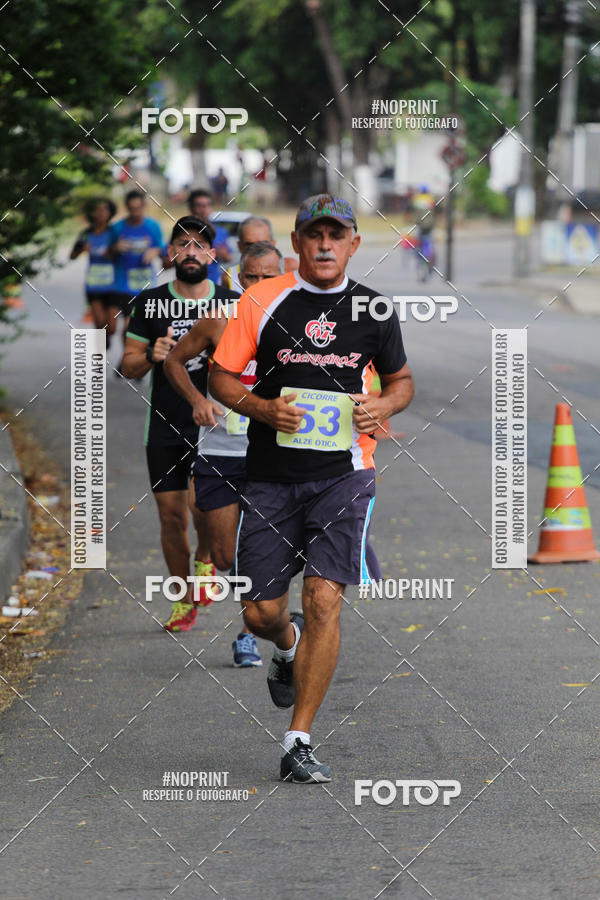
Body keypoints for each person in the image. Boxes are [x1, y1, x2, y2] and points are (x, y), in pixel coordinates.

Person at [209, 194, 414, 783]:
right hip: (272, 477)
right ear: (297, 244)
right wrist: (262, 410)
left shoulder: (374, 310)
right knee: (259, 612)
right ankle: (285, 645)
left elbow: (401, 382)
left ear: (353, 244)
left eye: (337, 235)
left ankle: (298, 739)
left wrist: (383, 404)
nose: (325, 245)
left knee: (325, 597)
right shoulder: (261, 300)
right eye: (314, 235)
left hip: (345, 475)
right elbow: (222, 375)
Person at [164, 242, 284, 665]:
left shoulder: (296, 327)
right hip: (219, 453)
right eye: (251, 277)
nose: (258, 285)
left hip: (272, 455)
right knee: (223, 554)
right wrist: (198, 399)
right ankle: (272, 618)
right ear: (238, 277)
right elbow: (174, 362)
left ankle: (250, 631)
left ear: (284, 277)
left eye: (268, 277)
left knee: (260, 550)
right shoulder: (218, 321)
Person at [121, 215, 236, 632]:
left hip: (216, 425)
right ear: (171, 254)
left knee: (202, 507)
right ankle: (182, 598)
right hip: (166, 423)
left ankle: (206, 556)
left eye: (200, 245)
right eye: (183, 244)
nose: (191, 251)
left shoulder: (232, 301)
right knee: (171, 517)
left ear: (213, 254)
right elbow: (127, 365)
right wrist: (153, 352)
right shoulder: (149, 303)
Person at [110, 190, 164, 368]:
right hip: (124, 286)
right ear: (127, 208)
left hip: (146, 285)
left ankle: (132, 358)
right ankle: (130, 358)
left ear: (144, 207)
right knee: (127, 326)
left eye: (138, 208)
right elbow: (105, 253)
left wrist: (154, 251)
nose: (135, 213)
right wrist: (115, 248)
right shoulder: (118, 228)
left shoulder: (153, 227)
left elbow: (163, 249)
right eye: (131, 209)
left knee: (140, 326)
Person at [70, 198, 120, 346]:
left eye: (104, 209)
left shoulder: (114, 233)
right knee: (99, 323)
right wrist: (81, 250)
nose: (100, 213)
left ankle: (106, 339)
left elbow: (122, 253)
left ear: (110, 213)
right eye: (97, 210)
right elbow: (72, 256)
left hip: (113, 285)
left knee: (111, 327)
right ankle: (97, 359)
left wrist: (113, 251)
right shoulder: (86, 234)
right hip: (94, 284)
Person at [221, 216, 298, 293]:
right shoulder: (229, 277)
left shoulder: (291, 268)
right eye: (250, 244)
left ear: (273, 244)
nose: (257, 249)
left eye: (263, 244)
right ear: (239, 246)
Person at [186, 189, 232, 283]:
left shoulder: (221, 232)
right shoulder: (182, 232)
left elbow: (228, 257)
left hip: (213, 286)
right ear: (191, 208)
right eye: (199, 205)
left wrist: (221, 253)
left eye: (208, 205)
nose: (204, 209)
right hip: (188, 285)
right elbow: (166, 262)